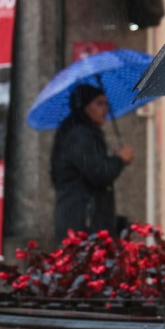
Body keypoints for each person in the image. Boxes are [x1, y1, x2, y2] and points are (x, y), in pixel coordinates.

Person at [50, 84, 134, 243]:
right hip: (83, 224)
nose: (105, 109)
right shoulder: (78, 134)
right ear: (84, 107)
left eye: (106, 104)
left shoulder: (85, 132)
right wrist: (120, 159)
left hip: (86, 220)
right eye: (99, 104)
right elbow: (99, 172)